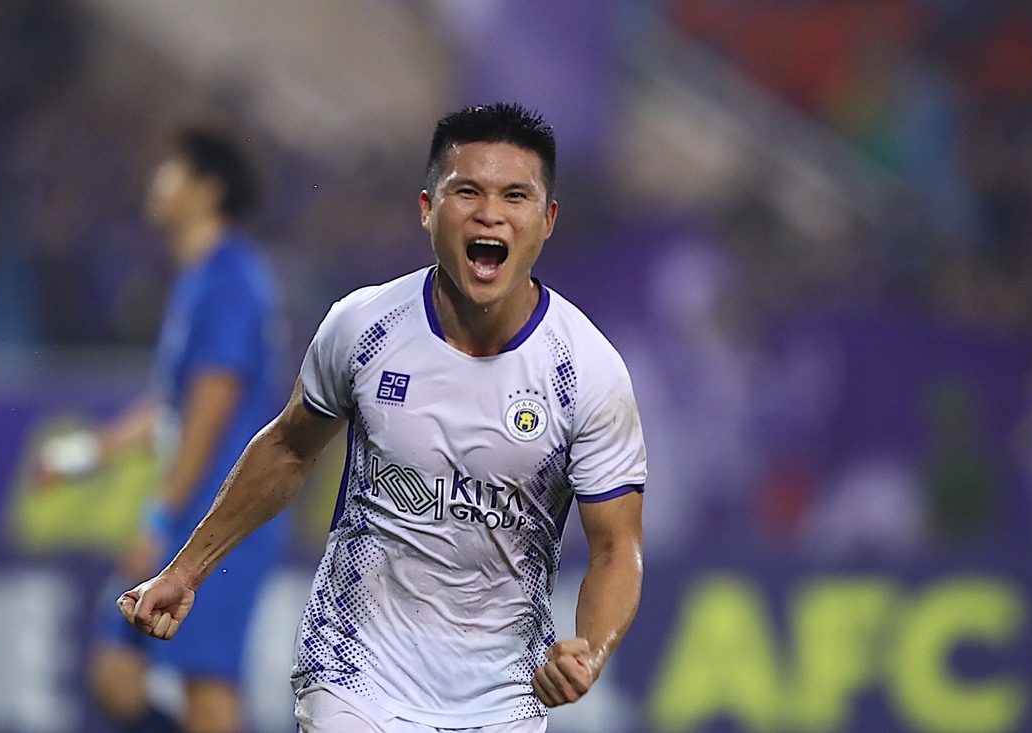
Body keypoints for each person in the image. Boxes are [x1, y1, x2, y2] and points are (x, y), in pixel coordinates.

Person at [118, 102, 646, 732]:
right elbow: (289, 448)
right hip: (352, 673)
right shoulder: (363, 327)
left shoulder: (587, 370)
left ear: (547, 219)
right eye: (467, 191)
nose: (490, 213)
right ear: (427, 208)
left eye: (515, 196)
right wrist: (186, 571)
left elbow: (616, 547)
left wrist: (589, 650)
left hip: (501, 699)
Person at [39, 124, 288, 733]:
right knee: (116, 678)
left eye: (170, 172)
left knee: (208, 686)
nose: (156, 184)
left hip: (222, 515)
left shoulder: (231, 282)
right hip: (189, 506)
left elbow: (209, 411)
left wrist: (158, 519)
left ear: (206, 190)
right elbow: (171, 407)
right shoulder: (199, 280)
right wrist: (84, 454)